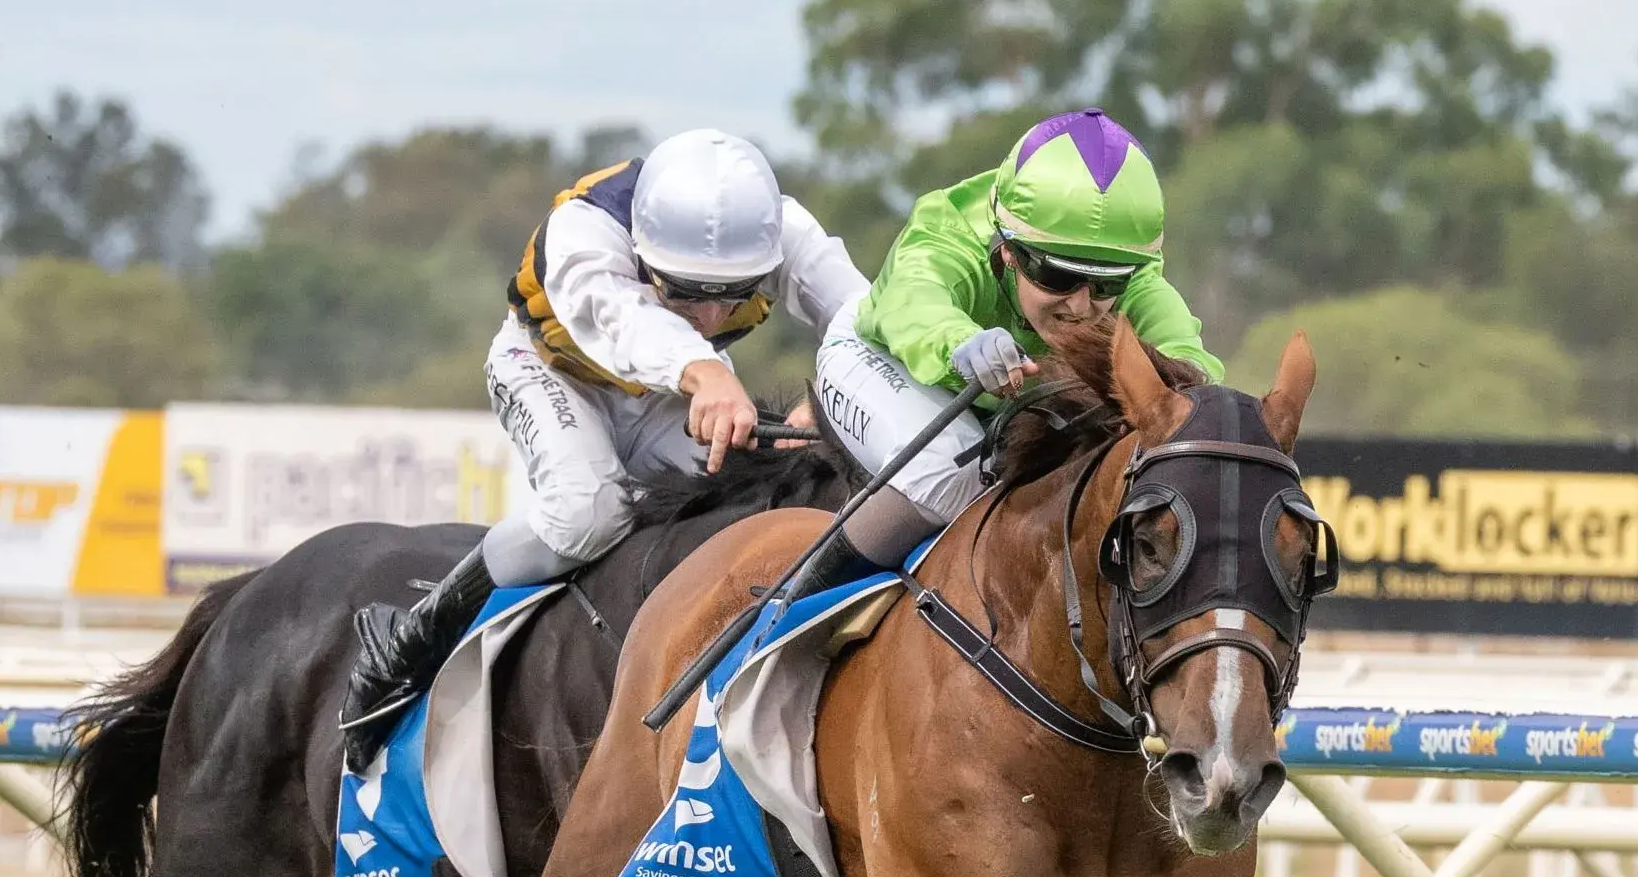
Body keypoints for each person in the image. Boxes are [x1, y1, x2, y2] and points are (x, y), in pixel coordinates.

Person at [341, 129, 869, 769]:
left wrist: (838, 383)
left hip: (657, 393)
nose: (708, 316)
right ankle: (413, 633)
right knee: (588, 511)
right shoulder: (582, 232)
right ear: (643, 250)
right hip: (550, 373)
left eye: (733, 294)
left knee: (760, 492)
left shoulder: (785, 231)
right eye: (685, 291)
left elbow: (859, 313)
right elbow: (625, 320)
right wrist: (705, 373)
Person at [793, 107, 1221, 606]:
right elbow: (915, 301)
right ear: (1009, 251)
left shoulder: (1137, 278)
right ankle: (787, 617)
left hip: (1000, 405)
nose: (1082, 305)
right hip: (885, 357)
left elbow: (1192, 374)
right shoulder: (947, 230)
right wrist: (959, 342)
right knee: (952, 472)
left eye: (1106, 282)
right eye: (1057, 278)